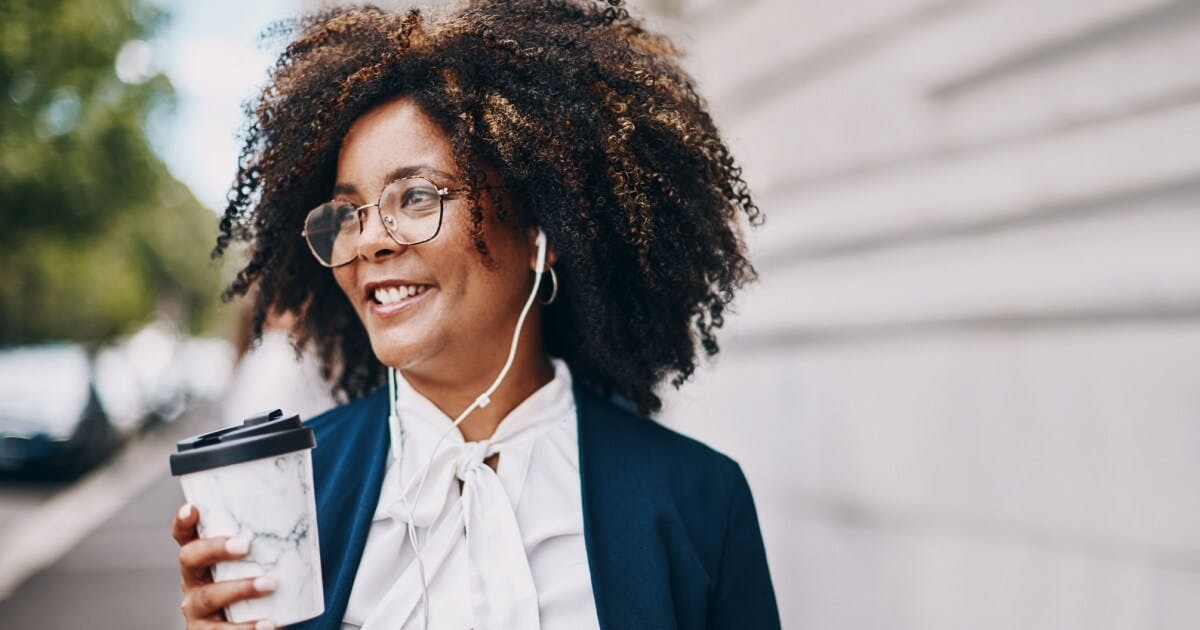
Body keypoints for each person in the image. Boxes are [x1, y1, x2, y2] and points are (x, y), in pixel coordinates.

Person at [170, 1, 779, 628]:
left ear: (544, 228)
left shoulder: (699, 500)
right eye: (348, 213)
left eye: (415, 196)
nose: (370, 241)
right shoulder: (291, 500)